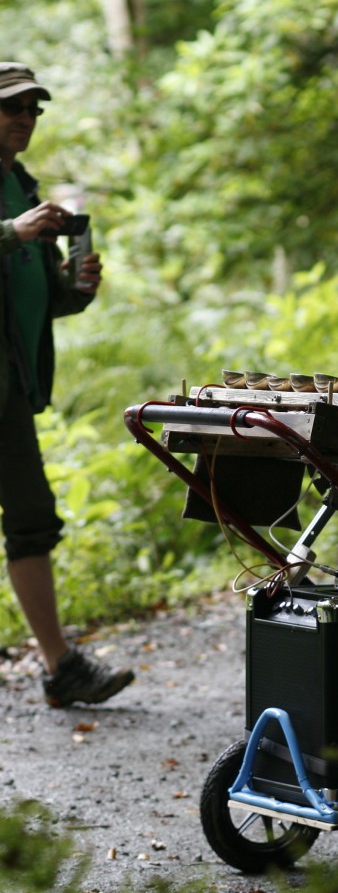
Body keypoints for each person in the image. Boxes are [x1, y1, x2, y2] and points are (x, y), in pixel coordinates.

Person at [0, 61, 134, 707]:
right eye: (11, 108)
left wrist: (75, 290)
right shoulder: (18, 209)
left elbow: (39, 294)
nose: (24, 118)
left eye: (32, 108)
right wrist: (12, 234)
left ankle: (61, 669)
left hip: (9, 387)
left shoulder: (22, 187)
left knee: (31, 521)